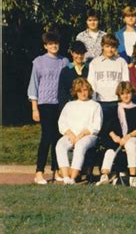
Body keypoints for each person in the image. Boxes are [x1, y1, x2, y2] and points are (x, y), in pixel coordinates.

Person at [27, 31, 68, 184]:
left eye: (56, 43)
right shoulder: (38, 62)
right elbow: (34, 85)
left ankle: (56, 171)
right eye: (50, 44)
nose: (54, 46)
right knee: (47, 137)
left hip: (61, 105)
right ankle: (39, 172)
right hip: (45, 104)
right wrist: (34, 108)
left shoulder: (64, 61)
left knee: (58, 138)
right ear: (45, 46)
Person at [97, 82, 136, 187]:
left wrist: (128, 136)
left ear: (131, 93)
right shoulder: (114, 108)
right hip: (117, 138)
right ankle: (105, 176)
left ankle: (133, 177)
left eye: (128, 93)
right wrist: (115, 137)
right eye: (122, 93)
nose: (125, 96)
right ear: (119, 95)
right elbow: (107, 127)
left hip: (132, 137)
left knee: (131, 145)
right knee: (110, 151)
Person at [55, 78, 102, 185]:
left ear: (89, 90)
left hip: (89, 136)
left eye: (85, 90)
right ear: (75, 92)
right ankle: (66, 177)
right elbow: (62, 123)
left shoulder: (95, 105)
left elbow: (96, 126)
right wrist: (70, 134)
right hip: (71, 135)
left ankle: (73, 177)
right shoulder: (69, 105)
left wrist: (81, 135)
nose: (83, 93)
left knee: (80, 145)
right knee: (60, 145)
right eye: (79, 91)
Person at [87, 34, 129, 126]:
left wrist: (123, 100)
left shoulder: (121, 62)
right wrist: (93, 103)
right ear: (102, 46)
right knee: (102, 129)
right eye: (107, 46)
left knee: (117, 129)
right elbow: (91, 84)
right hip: (100, 102)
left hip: (117, 102)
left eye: (113, 47)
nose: (110, 49)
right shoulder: (95, 63)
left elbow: (126, 83)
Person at [58, 40, 89, 113]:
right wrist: (63, 110)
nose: (79, 56)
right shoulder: (65, 71)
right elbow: (62, 93)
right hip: (71, 107)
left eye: (82, 54)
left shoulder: (89, 69)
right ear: (72, 53)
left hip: (87, 107)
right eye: (77, 53)